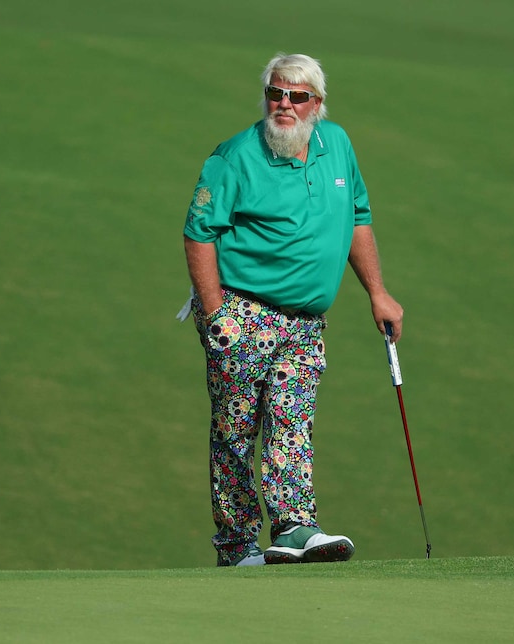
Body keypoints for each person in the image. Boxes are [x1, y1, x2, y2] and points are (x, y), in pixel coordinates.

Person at [180, 53, 404, 567]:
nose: (284, 104)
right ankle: (237, 547)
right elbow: (198, 232)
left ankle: (294, 526)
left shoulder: (337, 145)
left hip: (306, 321)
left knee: (292, 417)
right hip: (242, 310)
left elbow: (358, 218)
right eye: (276, 94)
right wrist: (216, 314)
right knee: (237, 430)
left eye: (298, 96)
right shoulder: (235, 156)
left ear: (317, 104)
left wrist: (377, 292)